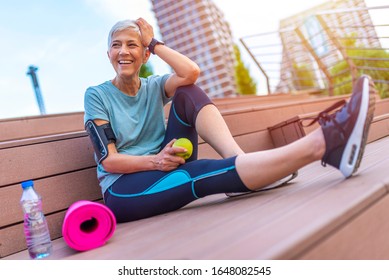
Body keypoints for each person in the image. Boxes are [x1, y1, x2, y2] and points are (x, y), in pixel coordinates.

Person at [84, 18, 376, 223]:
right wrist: (157, 161)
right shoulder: (96, 95)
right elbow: (109, 161)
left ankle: (239, 160)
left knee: (188, 92)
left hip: (165, 163)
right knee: (196, 172)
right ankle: (325, 143)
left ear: (144, 54)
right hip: (125, 190)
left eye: (133, 45)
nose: (124, 51)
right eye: (117, 45)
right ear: (108, 53)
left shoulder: (153, 86)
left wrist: (154, 41)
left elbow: (190, 73)